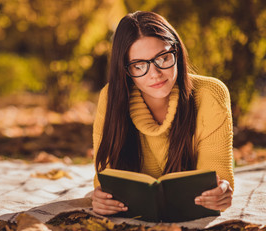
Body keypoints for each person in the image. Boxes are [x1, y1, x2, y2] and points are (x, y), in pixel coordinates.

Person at [91, 11, 234, 216]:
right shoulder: (111, 98)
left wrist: (220, 193)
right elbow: (106, 177)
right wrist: (101, 198)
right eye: (139, 65)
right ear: (124, 70)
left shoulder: (211, 94)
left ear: (177, 52)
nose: (155, 74)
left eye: (163, 57)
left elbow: (217, 178)